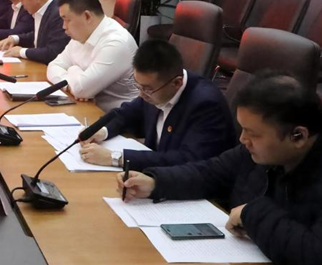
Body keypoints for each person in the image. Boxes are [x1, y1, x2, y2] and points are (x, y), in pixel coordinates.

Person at [119, 72, 322, 265]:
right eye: (242, 129)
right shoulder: (259, 152)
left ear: (298, 136)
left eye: (252, 134)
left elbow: (320, 260)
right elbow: (210, 172)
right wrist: (155, 182)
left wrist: (252, 213)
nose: (242, 139)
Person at [78, 39, 235, 170]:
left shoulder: (206, 104)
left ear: (177, 83)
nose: (141, 94)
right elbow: (127, 114)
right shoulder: (155, 90)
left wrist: (116, 158)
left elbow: (188, 159)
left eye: (147, 89)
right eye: (137, 85)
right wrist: (102, 132)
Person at [46, 0, 138, 110]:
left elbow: (81, 90)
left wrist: (72, 69)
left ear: (87, 16)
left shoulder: (116, 43)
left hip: (116, 116)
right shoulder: (81, 35)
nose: (64, 26)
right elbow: (53, 66)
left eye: (67, 20)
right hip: (86, 108)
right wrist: (70, 84)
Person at [0, 0, 70, 64]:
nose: (20, 2)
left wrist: (21, 51)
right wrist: (15, 39)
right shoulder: (43, 9)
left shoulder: (58, 14)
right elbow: (38, 35)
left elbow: (53, 52)